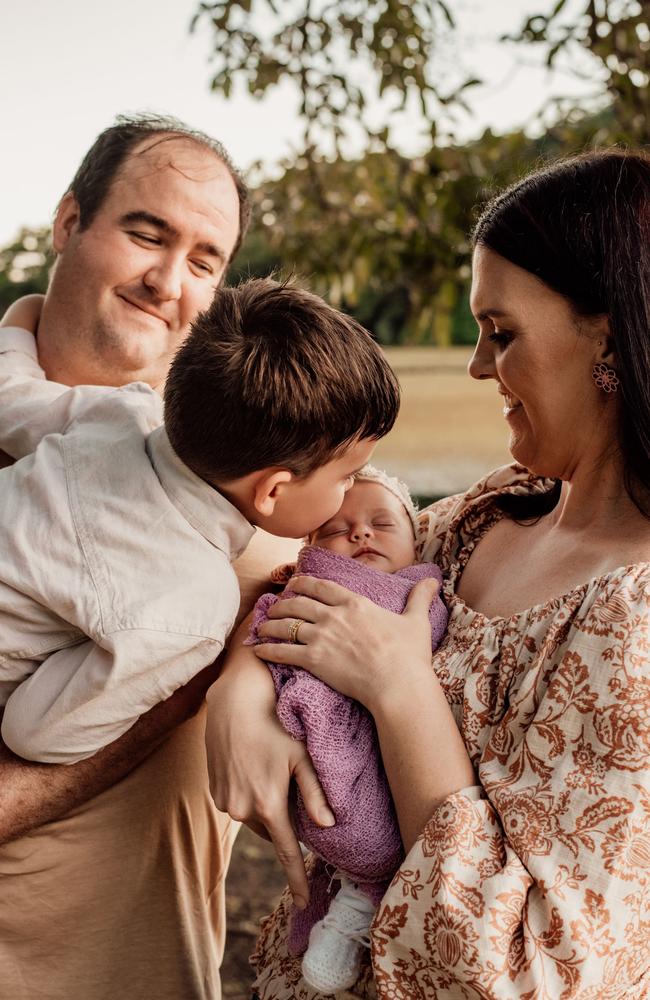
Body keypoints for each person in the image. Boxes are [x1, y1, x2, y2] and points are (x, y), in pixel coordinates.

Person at [206, 149, 650, 998]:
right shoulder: (475, 519)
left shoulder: (634, 620)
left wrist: (400, 688)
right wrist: (240, 688)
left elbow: (520, 973)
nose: (480, 366)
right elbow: (296, 578)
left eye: (502, 332)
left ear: (611, 337)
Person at [0, 113, 322, 1000]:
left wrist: (247, 669)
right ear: (69, 224)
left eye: (205, 261)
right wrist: (176, 692)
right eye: (146, 233)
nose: (166, 281)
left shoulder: (265, 494)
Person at [0, 278, 399, 767]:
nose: (352, 490)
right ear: (272, 490)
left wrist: (22, 317)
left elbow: (9, 397)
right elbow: (34, 734)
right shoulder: (192, 606)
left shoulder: (122, 410)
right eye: (348, 476)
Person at [247, 468, 446, 993]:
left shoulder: (421, 594)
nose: (360, 534)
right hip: (318, 736)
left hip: (396, 755)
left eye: (382, 523)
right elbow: (267, 626)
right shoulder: (304, 591)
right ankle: (355, 893)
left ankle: (356, 901)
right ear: (310, 548)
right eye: (336, 530)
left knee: (375, 835)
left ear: (417, 538)